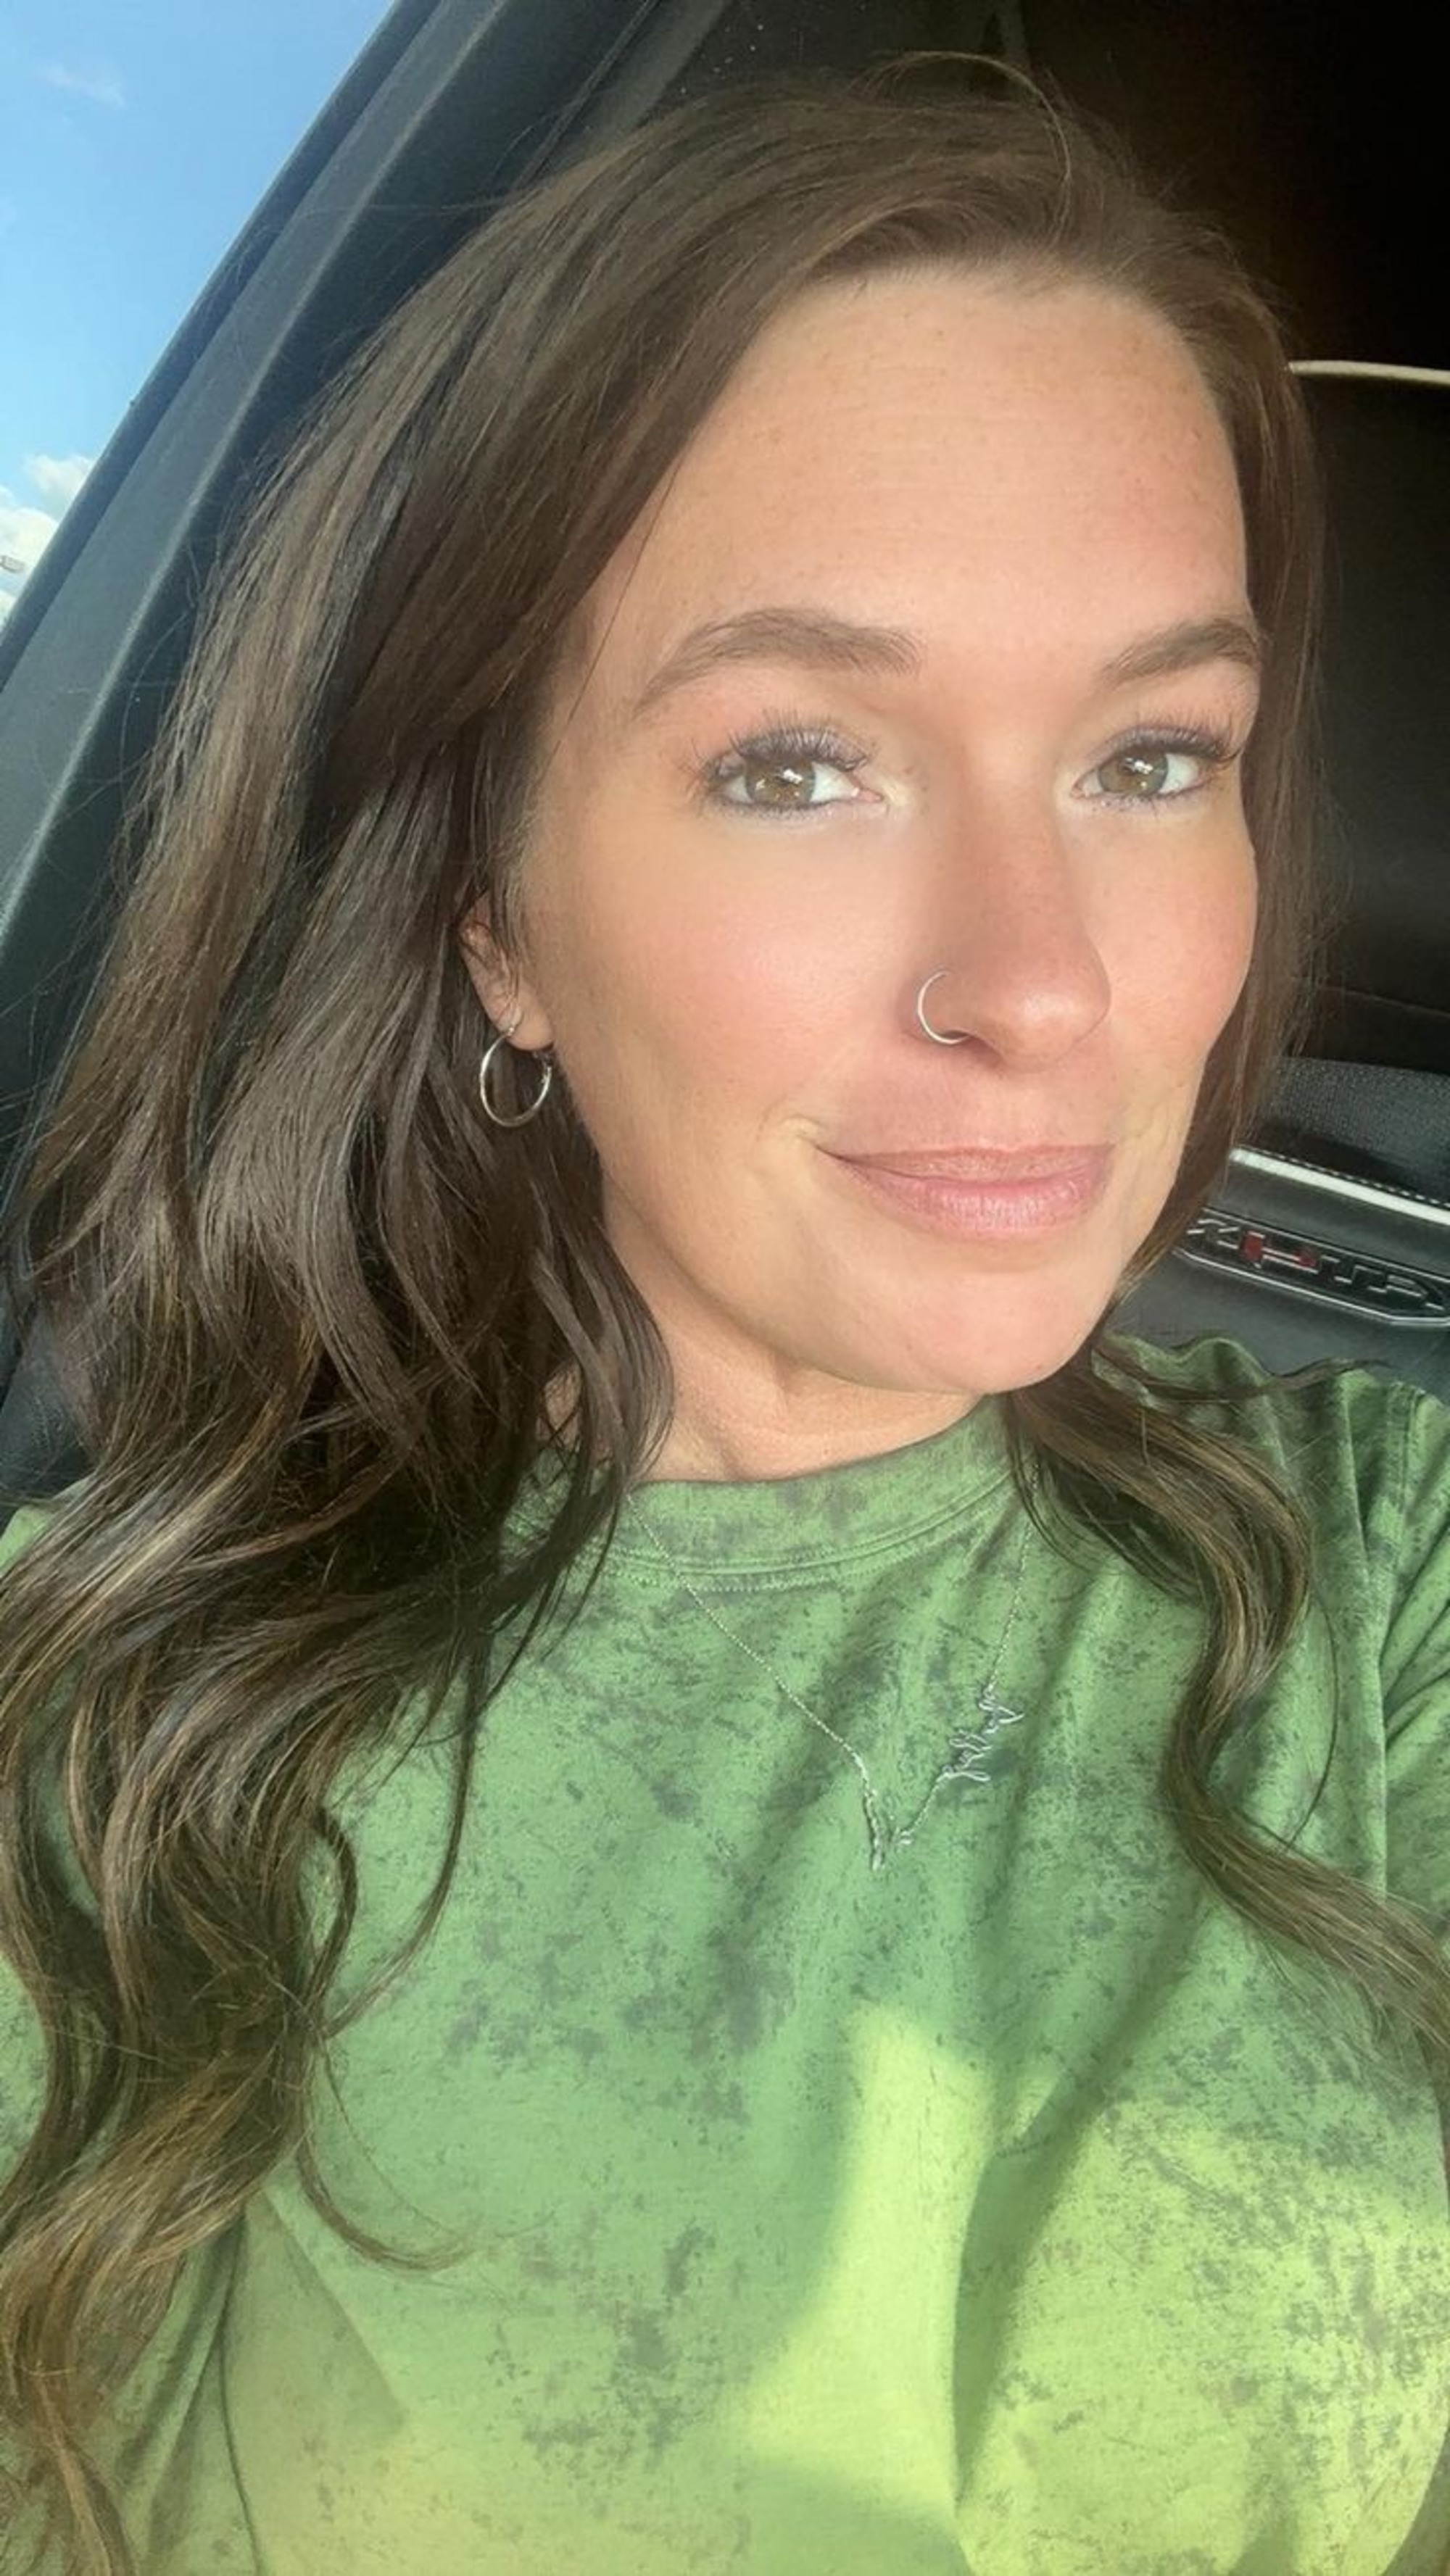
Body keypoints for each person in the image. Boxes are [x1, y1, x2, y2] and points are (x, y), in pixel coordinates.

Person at [0, 53, 1446, 2576]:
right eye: (799, 764)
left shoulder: (1378, 1563)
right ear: (495, 913)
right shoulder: (108, 1743)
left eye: (1151, 755)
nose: (1041, 984)